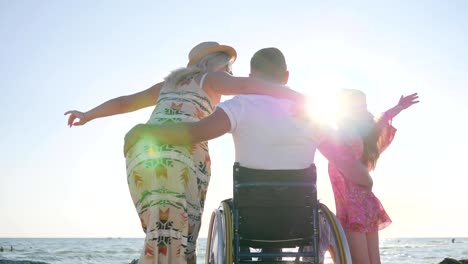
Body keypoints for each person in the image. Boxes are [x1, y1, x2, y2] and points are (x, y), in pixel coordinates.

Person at [124, 47, 375, 263]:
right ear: (286, 77)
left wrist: (147, 131)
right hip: (299, 222)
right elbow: (356, 173)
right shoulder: (312, 118)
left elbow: (194, 133)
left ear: (252, 76)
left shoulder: (238, 106)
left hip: (250, 222)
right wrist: (367, 178)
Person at [65, 42, 305, 264]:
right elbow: (247, 86)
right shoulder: (211, 78)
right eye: (229, 66)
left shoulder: (168, 85)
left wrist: (88, 115)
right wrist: (298, 97)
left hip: (141, 149)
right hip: (183, 153)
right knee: (183, 234)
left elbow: (124, 102)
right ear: (216, 64)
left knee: (161, 230)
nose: (231, 72)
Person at [328, 89, 419, 264]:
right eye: (360, 106)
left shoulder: (341, 138)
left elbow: (382, 118)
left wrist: (398, 107)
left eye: (365, 106)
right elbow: (383, 118)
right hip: (366, 205)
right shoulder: (362, 135)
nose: (364, 110)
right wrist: (398, 107)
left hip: (353, 209)